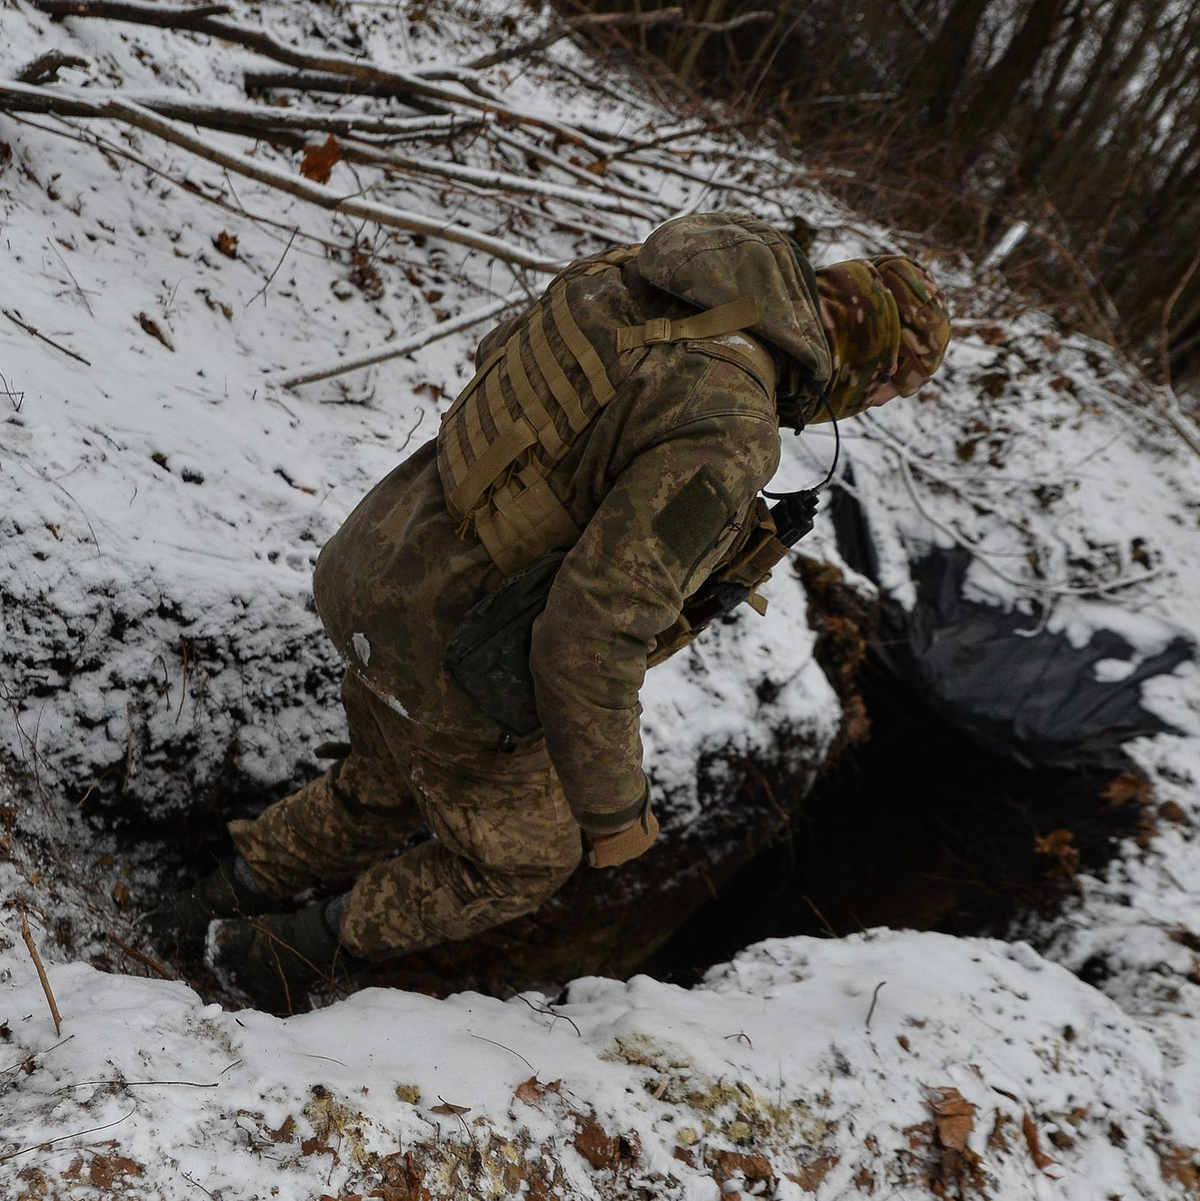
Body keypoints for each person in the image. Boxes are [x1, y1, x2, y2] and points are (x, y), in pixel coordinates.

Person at [147, 211, 950, 1008]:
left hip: (382, 559)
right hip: (451, 650)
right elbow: (592, 631)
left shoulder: (651, 275)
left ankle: (200, 904)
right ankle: (262, 959)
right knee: (521, 859)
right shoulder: (731, 425)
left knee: (381, 783)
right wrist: (616, 812)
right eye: (881, 394)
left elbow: (502, 359)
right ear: (871, 375)